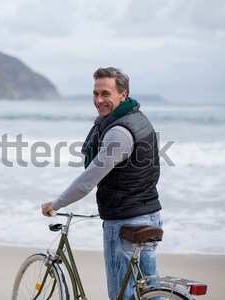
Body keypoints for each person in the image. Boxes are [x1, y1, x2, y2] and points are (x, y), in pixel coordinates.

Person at [41, 67, 162, 300]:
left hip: (125, 221)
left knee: (121, 295)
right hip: (150, 214)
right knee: (150, 291)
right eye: (95, 94)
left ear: (122, 95)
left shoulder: (119, 132)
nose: (99, 100)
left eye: (106, 94)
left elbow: (88, 181)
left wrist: (56, 204)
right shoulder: (138, 119)